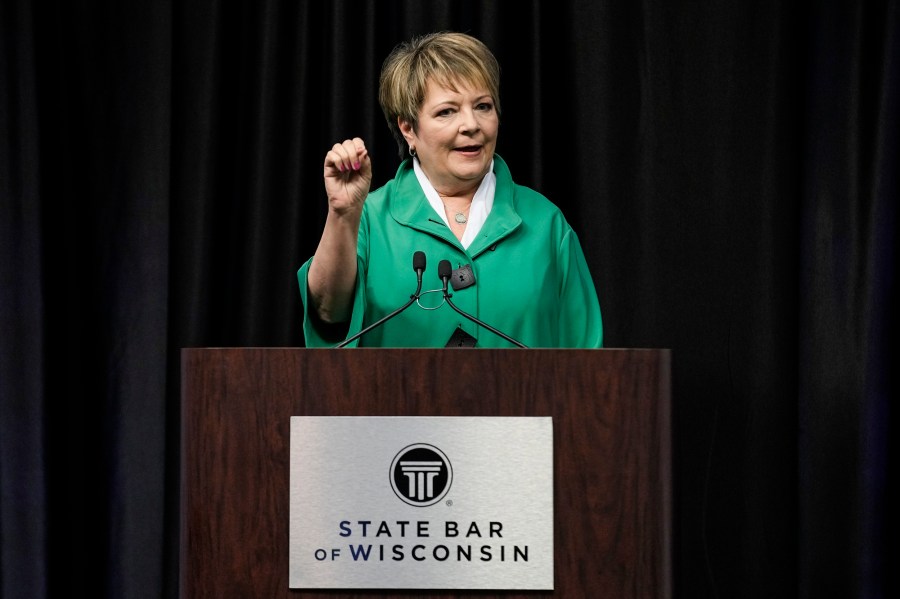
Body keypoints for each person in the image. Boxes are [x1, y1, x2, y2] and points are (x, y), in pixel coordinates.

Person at [297, 31, 603, 348]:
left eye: (483, 106)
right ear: (408, 128)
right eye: (447, 111)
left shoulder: (546, 223)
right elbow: (327, 312)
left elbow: (589, 365)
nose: (471, 124)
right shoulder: (369, 219)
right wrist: (343, 215)